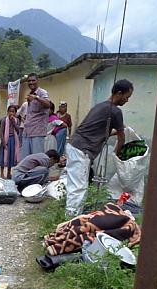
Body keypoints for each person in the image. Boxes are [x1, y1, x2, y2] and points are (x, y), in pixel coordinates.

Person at [65, 79, 134, 216]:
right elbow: (122, 137)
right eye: (127, 97)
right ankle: (71, 219)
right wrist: (118, 153)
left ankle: (73, 214)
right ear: (119, 93)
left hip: (76, 146)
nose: (127, 100)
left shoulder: (100, 106)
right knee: (78, 187)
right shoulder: (115, 111)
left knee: (76, 184)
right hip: (83, 149)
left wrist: (119, 131)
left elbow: (101, 131)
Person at [21, 73, 51, 159]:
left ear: (37, 81)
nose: (31, 82)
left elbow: (48, 104)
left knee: (37, 159)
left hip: (37, 132)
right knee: (25, 159)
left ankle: (40, 173)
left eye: (33, 80)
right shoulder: (30, 94)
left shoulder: (42, 92)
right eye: (29, 81)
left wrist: (36, 97)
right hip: (27, 131)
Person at [0, 105, 21, 179]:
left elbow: (18, 130)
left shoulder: (17, 120)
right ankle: (1, 173)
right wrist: (3, 142)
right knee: (3, 157)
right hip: (5, 140)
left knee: (10, 157)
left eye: (13, 111)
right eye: (10, 111)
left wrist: (13, 122)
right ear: (7, 112)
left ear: (15, 113)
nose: (11, 113)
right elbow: (1, 132)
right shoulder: (4, 120)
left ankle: (9, 173)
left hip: (13, 140)